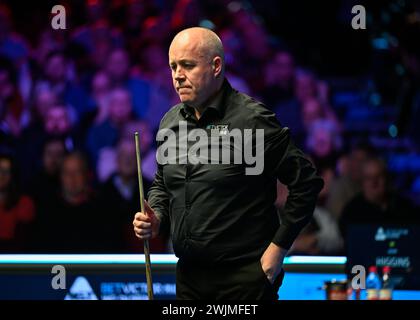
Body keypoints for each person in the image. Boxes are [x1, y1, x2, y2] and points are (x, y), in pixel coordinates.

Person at [132, 27, 323, 300]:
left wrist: (277, 251)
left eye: (188, 65)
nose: (177, 75)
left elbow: (306, 183)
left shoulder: (251, 121)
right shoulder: (171, 122)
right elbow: (163, 183)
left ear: (216, 66)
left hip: (244, 280)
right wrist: (157, 217)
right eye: (173, 66)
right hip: (189, 278)